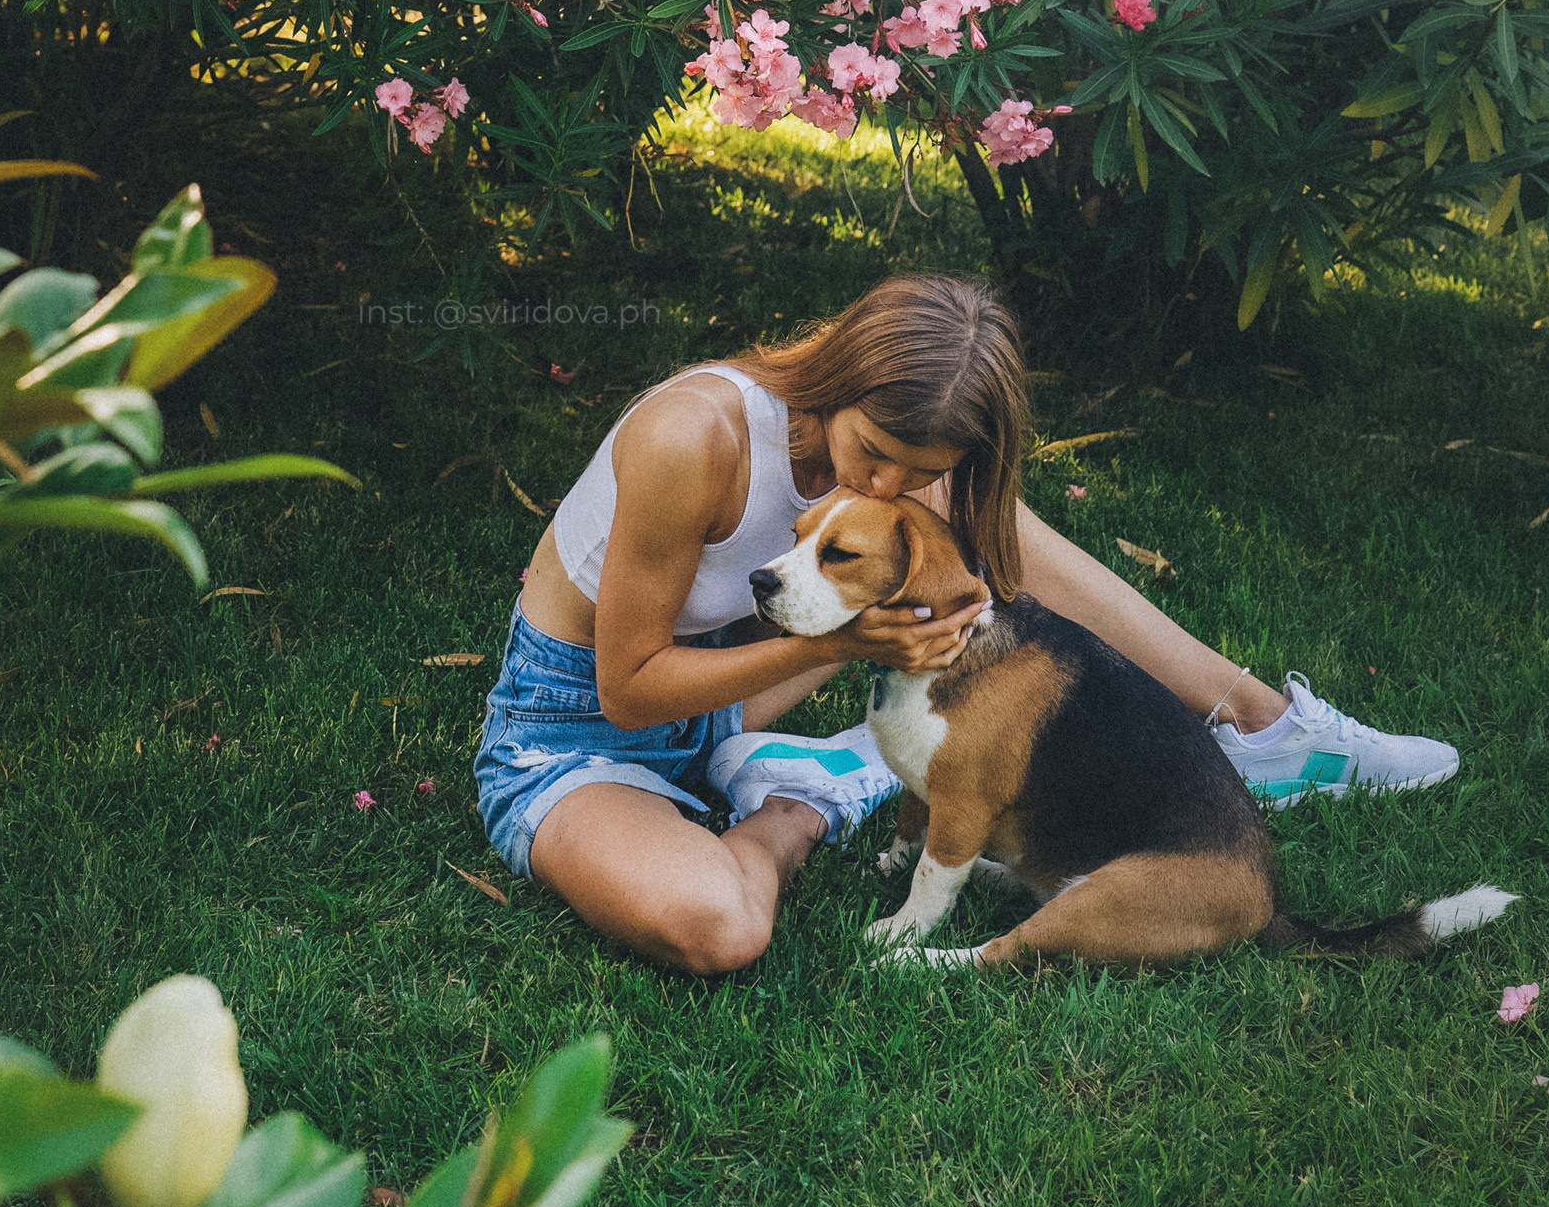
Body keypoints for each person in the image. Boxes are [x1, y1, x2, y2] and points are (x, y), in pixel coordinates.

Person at [474, 273, 1457, 975]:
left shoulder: (903, 475)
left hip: (723, 698)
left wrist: (911, 589)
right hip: (582, 730)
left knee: (982, 544)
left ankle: (1258, 725)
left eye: (925, 467)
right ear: (840, 375)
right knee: (719, 931)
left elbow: (1008, 572)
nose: (891, 486)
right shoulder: (695, 434)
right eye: (874, 453)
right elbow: (628, 689)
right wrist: (841, 644)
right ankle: (796, 806)